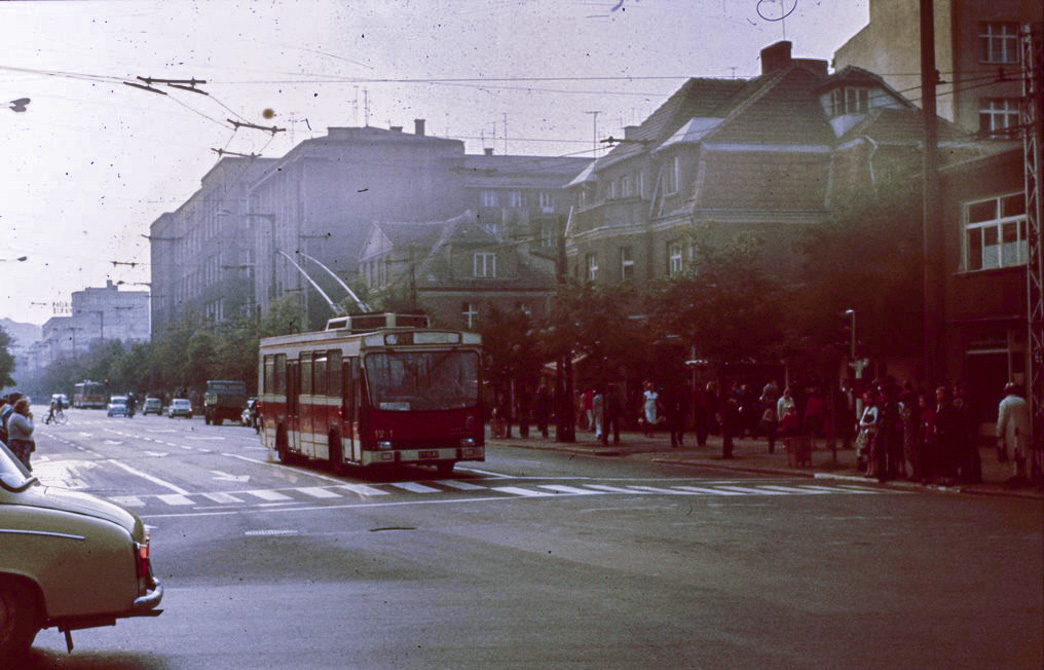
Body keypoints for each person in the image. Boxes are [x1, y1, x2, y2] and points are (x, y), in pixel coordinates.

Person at [997, 382, 1032, 485]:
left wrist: (999, 433)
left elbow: (1002, 419)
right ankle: (1023, 476)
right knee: (1022, 455)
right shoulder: (1023, 402)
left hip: (1011, 433)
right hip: (1023, 432)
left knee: (1011, 456)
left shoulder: (1005, 403)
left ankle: (1013, 476)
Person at [7, 397, 35, 471]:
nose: (28, 409)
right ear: (21, 408)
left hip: (20, 443)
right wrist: (31, 419)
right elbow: (29, 430)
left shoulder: (18, 416)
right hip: (20, 444)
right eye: (26, 407)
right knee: (22, 465)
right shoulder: (18, 417)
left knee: (22, 464)